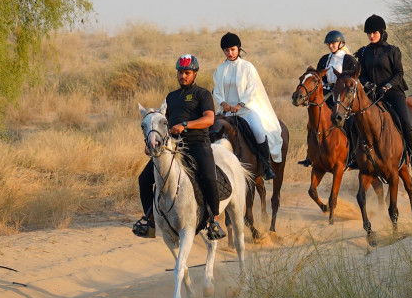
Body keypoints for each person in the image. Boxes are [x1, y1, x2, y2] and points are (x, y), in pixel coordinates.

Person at [133, 55, 227, 240]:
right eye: (180, 72)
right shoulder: (171, 97)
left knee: (208, 176)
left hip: (198, 144)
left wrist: (185, 125)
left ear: (194, 74)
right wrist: (153, 144)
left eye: (187, 73)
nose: (183, 76)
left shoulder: (203, 94)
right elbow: (163, 123)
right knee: (144, 179)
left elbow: (209, 119)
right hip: (174, 147)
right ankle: (150, 221)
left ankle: (214, 220)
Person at [354, 14, 412, 168]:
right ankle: (355, 155)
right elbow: (361, 75)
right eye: (369, 33)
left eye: (374, 32)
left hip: (393, 92)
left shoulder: (392, 50)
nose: (371, 36)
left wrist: (388, 85)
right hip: (372, 94)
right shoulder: (364, 53)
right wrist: (369, 85)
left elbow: (399, 73)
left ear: (381, 32)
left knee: (405, 120)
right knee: (355, 119)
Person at [213, 32, 283, 180]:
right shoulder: (220, 70)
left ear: (238, 48)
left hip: (245, 110)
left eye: (232, 49)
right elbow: (217, 91)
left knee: (258, 131)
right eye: (226, 50)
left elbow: (252, 89)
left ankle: (266, 166)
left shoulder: (247, 67)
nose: (230, 53)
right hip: (226, 112)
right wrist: (224, 104)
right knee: (211, 132)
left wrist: (240, 105)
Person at [298, 30, 352, 167]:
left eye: (333, 43)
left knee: (350, 121)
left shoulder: (348, 59)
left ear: (341, 43)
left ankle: (352, 154)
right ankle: (310, 155)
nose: (330, 46)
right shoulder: (324, 59)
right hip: (328, 92)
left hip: (343, 94)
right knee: (313, 119)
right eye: (329, 44)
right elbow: (318, 78)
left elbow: (351, 80)